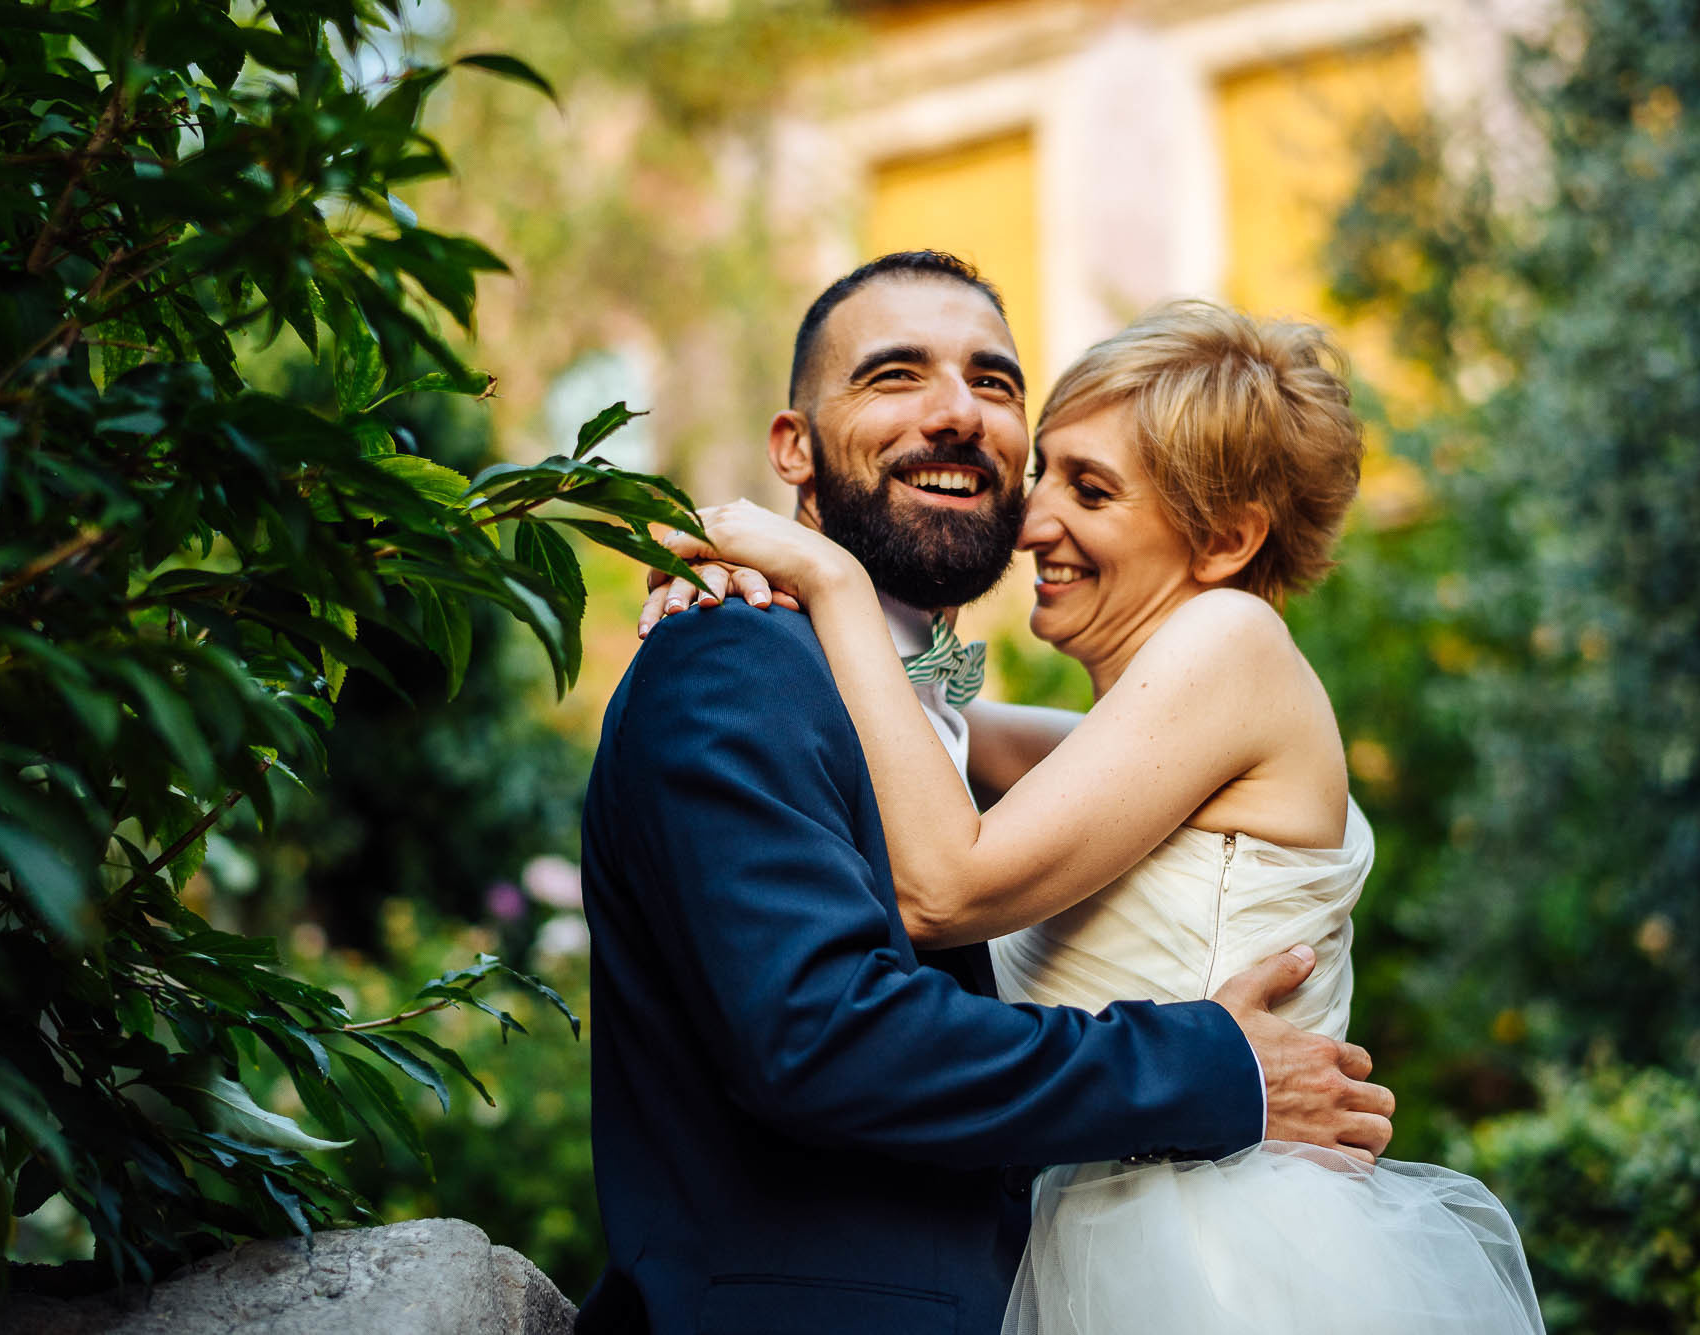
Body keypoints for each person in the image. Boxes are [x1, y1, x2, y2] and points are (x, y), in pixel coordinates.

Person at [650, 298, 1544, 1334]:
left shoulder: (1234, 640)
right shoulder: (1124, 744)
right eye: (1041, 474)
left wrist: (831, 574)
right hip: (1091, 1252)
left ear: (1226, 539)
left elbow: (943, 887)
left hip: (1222, 1263)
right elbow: (918, 716)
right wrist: (763, 577)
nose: (1030, 522)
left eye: (1089, 489)